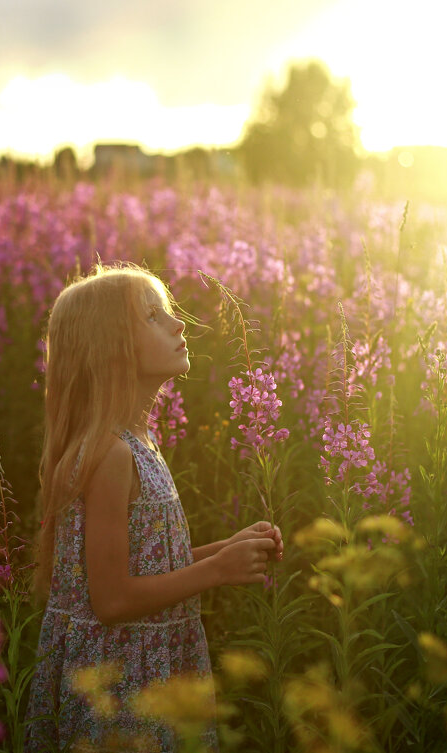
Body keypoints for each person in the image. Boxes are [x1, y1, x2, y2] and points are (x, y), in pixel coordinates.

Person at [25, 264, 284, 752]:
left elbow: (145, 564)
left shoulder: (135, 440)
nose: (179, 324)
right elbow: (113, 600)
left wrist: (225, 549)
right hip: (122, 685)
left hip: (146, 667)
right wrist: (216, 571)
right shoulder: (111, 454)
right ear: (112, 350)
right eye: (153, 317)